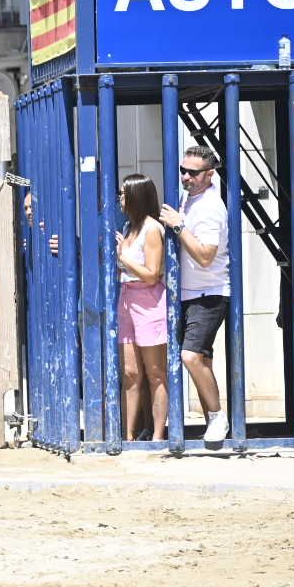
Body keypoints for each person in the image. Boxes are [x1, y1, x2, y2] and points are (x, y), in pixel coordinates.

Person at [158, 145, 231, 448]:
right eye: (183, 171)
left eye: (193, 172)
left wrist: (179, 225)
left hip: (208, 292)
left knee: (190, 356)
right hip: (191, 293)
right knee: (201, 360)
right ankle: (211, 421)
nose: (186, 177)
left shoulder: (211, 206)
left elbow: (205, 255)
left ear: (210, 174)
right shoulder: (191, 198)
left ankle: (217, 417)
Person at [115, 175, 169, 441]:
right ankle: (129, 434)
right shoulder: (129, 227)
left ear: (137, 196)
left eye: (124, 193)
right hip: (127, 298)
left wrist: (124, 257)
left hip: (148, 301)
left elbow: (152, 273)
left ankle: (159, 435)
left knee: (156, 373)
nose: (120, 198)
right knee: (130, 372)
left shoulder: (151, 229)